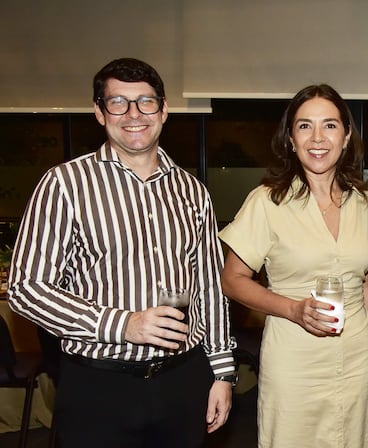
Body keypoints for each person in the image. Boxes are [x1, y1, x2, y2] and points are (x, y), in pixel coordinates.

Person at [7, 58, 237, 448]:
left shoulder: (192, 191)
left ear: (163, 110)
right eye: (118, 102)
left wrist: (222, 374)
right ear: (100, 112)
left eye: (146, 102)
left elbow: (210, 289)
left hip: (183, 381)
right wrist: (123, 324)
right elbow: (25, 289)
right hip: (99, 388)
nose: (134, 114)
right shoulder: (65, 184)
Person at [219, 84, 368, 447]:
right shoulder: (267, 201)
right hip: (293, 361)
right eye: (304, 126)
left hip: (358, 358)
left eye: (330, 126)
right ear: (290, 138)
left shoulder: (366, 200)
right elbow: (232, 280)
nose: (318, 138)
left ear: (346, 137)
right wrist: (293, 309)